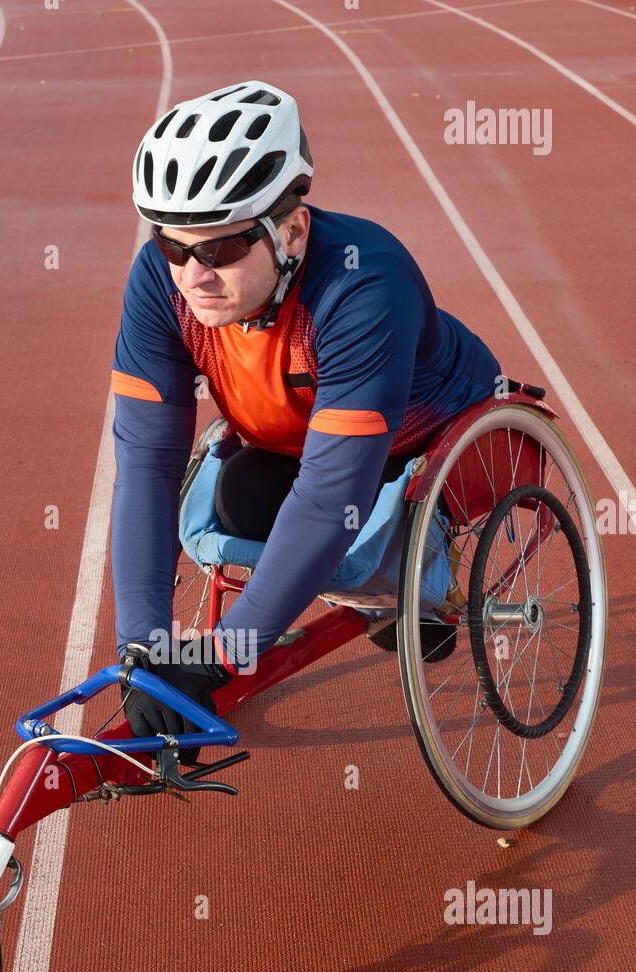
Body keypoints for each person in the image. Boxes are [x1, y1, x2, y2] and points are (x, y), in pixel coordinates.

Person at [110, 80, 502, 759]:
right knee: (231, 510)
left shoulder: (361, 284)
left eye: (221, 250)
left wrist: (219, 658)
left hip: (416, 436)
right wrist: (142, 645)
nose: (194, 275)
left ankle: (417, 580)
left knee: (369, 555)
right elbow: (146, 461)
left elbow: (327, 499)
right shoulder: (157, 281)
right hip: (291, 435)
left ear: (289, 230)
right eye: (175, 247)